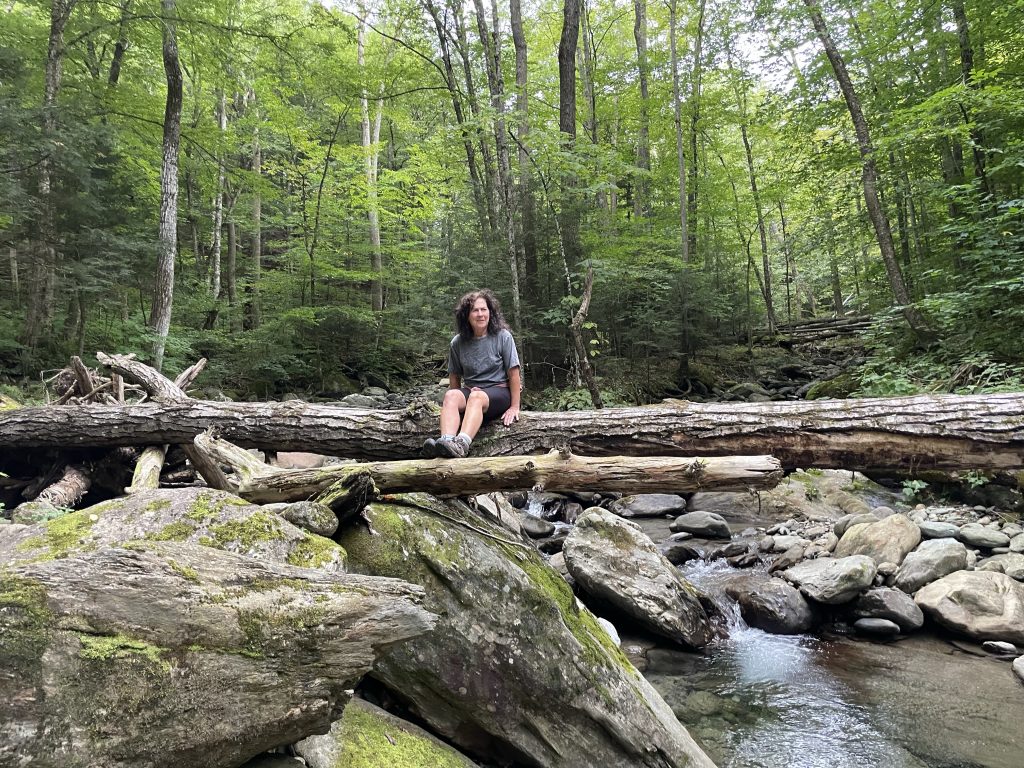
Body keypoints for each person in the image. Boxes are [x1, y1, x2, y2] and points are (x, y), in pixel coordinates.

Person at [423, 289, 521, 459]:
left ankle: (461, 445)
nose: (480, 314)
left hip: (498, 392)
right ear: (467, 315)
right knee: (451, 395)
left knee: (477, 397)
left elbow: (514, 374)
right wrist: (458, 408)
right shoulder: (458, 342)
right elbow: (454, 376)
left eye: (484, 309)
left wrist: (514, 407)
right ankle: (446, 442)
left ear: (490, 312)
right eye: (475, 310)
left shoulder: (503, 337)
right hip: (471, 391)